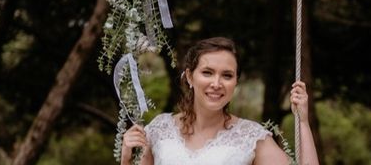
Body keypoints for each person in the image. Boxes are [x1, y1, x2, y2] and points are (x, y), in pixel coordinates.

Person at [121, 37, 320, 165]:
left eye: (226, 75)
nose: (216, 83)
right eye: (207, 73)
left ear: (235, 82)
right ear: (190, 77)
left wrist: (302, 121)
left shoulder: (250, 137)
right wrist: (126, 158)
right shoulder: (159, 130)